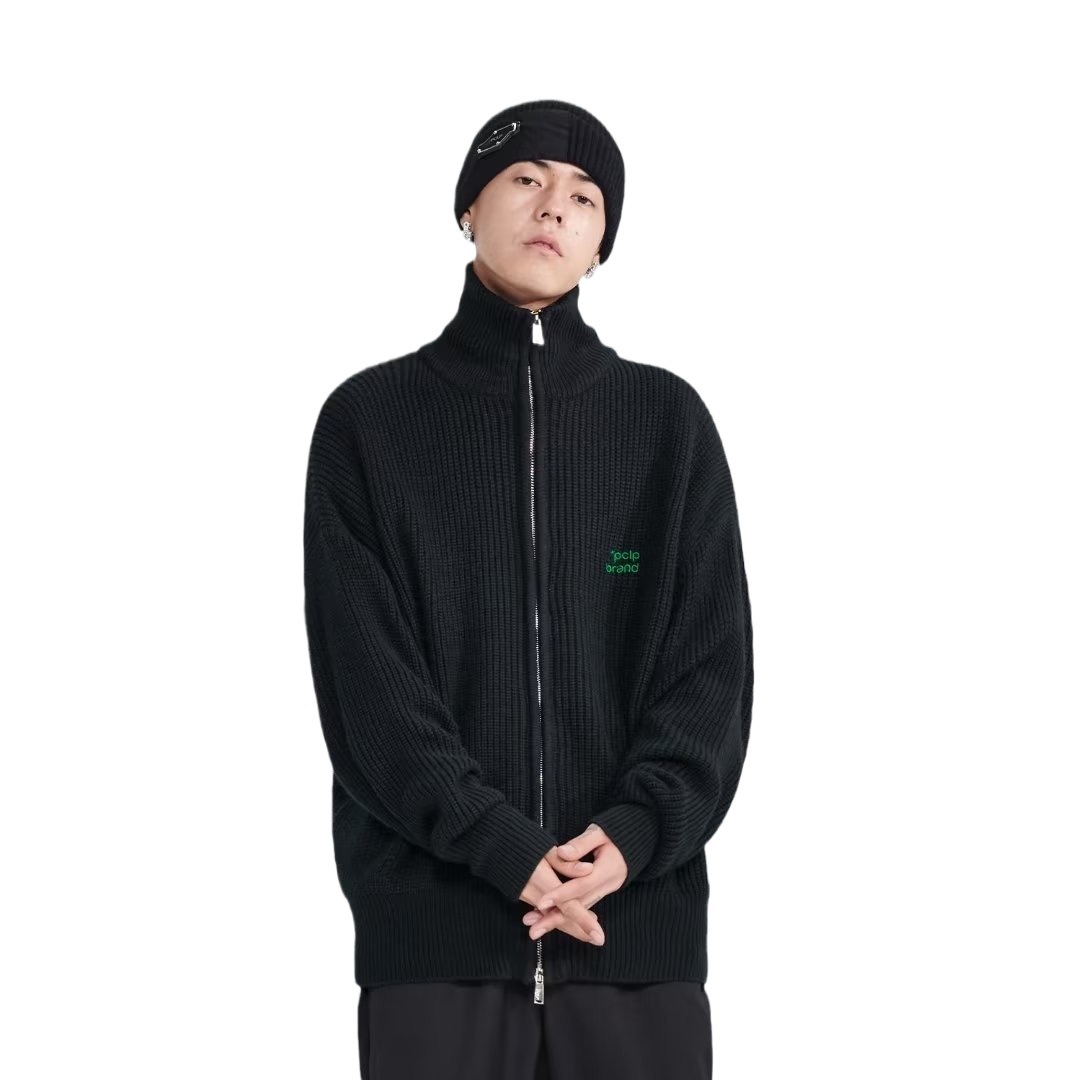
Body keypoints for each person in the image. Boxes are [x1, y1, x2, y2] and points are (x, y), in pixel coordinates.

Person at [303, 98, 754, 1079]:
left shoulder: (667, 427)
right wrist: (502, 846)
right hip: (436, 940)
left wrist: (633, 836)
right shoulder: (369, 425)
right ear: (468, 208)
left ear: (602, 242)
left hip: (633, 937)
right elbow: (368, 688)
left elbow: (710, 674)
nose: (554, 206)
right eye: (525, 179)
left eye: (586, 196)